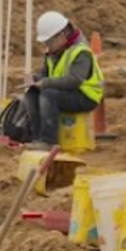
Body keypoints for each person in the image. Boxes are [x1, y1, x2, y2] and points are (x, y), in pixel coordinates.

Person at [20, 11, 102, 151]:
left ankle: (49, 141)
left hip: (86, 96)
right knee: (32, 93)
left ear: (62, 35)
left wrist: (45, 83)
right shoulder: (52, 53)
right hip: (65, 92)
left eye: (49, 41)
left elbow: (74, 80)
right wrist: (35, 79)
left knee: (48, 95)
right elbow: (47, 76)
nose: (47, 45)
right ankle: (38, 138)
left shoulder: (81, 52)